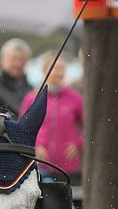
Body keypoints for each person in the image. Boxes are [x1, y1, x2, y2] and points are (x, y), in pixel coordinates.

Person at [19, 52, 83, 184]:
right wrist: (35, 146)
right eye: (55, 68)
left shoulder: (75, 97)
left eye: (62, 68)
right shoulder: (32, 98)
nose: (60, 73)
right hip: (40, 165)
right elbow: (21, 129)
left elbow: (88, 127)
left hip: (69, 165)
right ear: (45, 70)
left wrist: (77, 144)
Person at [0, 38, 32, 116]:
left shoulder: (29, 87)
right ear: (3, 59)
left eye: (21, 59)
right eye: (13, 59)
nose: (17, 64)